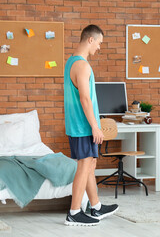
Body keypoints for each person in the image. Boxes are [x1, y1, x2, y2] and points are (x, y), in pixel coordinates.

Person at [63, 24, 118, 226]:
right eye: (99, 43)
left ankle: (95, 206)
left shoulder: (71, 62)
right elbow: (85, 99)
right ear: (90, 40)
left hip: (79, 125)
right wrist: (95, 126)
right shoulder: (82, 65)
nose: (100, 48)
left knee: (89, 166)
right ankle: (74, 212)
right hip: (83, 126)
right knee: (84, 165)